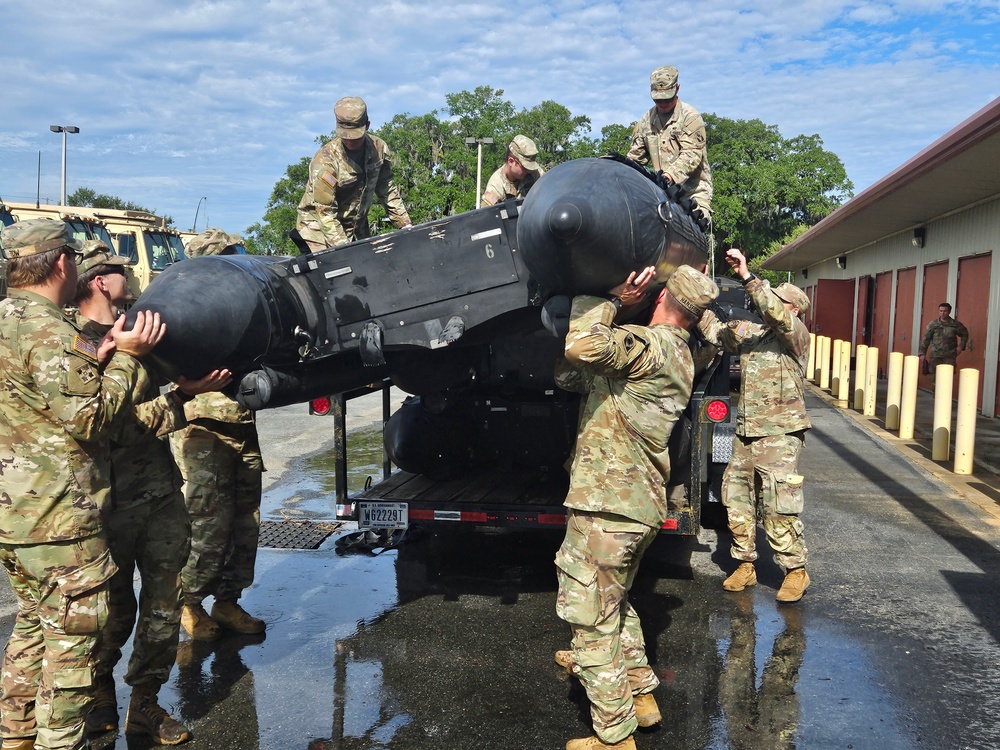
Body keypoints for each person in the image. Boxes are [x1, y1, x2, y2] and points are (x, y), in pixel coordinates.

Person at [0, 219, 165, 750]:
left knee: (30, 637)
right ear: (60, 264)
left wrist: (95, 361)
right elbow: (90, 418)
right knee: (73, 654)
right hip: (59, 522)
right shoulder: (48, 329)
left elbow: (36, 401)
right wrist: (129, 362)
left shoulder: (7, 321)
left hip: (16, 518)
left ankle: (17, 737)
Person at [553, 265, 719, 750]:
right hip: (635, 504)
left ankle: (613, 736)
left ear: (664, 295)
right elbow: (572, 373)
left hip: (608, 502)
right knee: (614, 603)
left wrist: (609, 299)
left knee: (589, 616)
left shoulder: (653, 345)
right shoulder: (683, 352)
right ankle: (641, 698)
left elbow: (582, 346)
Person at [72, 241, 230, 744]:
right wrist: (183, 398)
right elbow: (109, 427)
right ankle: (99, 700)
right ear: (100, 280)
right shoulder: (75, 346)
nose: (130, 277)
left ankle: (145, 705)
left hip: (158, 496)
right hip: (109, 503)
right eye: (120, 270)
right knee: (110, 614)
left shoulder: (143, 332)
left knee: (163, 607)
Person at [698, 248, 811, 603]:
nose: (768, 304)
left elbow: (774, 313)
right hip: (746, 431)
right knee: (737, 499)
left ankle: (795, 571)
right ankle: (744, 564)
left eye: (777, 301)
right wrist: (693, 298)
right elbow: (717, 332)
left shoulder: (795, 334)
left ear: (791, 309)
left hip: (780, 432)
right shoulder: (754, 332)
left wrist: (747, 276)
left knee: (779, 504)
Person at [173, 228, 267, 641]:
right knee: (207, 525)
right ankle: (188, 604)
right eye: (230, 256)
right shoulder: (188, 310)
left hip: (242, 424)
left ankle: (227, 601)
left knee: (246, 523)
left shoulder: (244, 311)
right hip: (204, 428)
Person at [296, 96, 412, 251]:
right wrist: (346, 250)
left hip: (356, 225)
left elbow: (387, 189)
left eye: (355, 136)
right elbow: (324, 212)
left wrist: (405, 224)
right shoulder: (325, 162)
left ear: (367, 126)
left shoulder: (378, 149)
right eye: (345, 135)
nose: (349, 141)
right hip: (319, 230)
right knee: (338, 269)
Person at [626, 66, 713, 218]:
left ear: (677, 88)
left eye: (667, 98)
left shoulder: (690, 117)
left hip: (693, 194)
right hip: (661, 194)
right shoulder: (646, 120)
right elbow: (635, 158)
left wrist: (668, 177)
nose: (663, 103)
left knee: (695, 230)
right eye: (658, 99)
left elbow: (692, 154)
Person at [481, 135, 545, 206]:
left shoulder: (535, 173)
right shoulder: (496, 186)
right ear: (511, 161)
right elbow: (486, 213)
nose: (529, 171)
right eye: (525, 167)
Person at [918, 302, 969, 370]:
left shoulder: (955, 324)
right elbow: (926, 339)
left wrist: (960, 347)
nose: (942, 313)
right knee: (934, 378)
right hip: (935, 356)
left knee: (947, 377)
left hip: (949, 356)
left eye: (945, 311)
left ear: (949, 312)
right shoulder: (933, 324)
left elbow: (965, 334)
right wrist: (922, 353)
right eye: (941, 311)